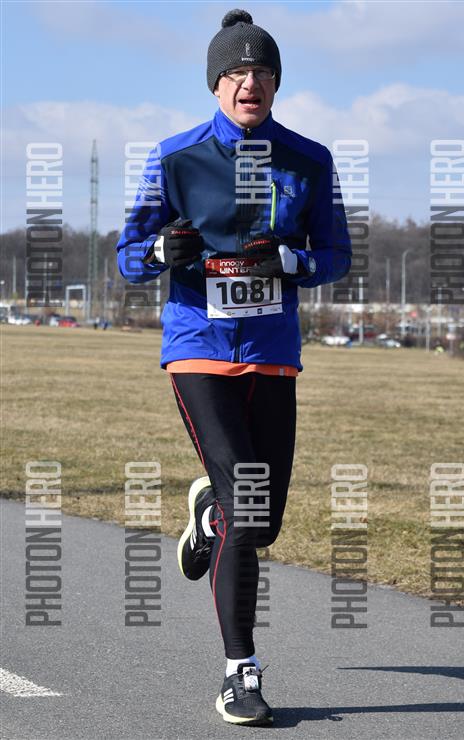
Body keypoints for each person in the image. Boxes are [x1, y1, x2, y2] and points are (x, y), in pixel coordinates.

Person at [116, 8, 351, 726]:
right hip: (199, 347)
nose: (252, 82)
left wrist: (294, 263)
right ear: (216, 84)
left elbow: (335, 255)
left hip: (273, 355)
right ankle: (238, 673)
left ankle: (209, 516)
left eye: (264, 72)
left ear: (277, 84)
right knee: (248, 508)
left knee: (262, 522)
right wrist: (159, 252)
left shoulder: (310, 160)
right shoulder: (175, 157)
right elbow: (128, 258)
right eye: (238, 72)